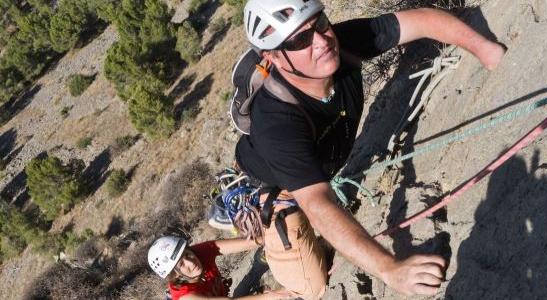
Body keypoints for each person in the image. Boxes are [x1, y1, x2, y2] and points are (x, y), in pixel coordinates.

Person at [234, 0, 505, 297]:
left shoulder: (341, 42)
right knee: (311, 288)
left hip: (320, 157)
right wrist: (389, 268)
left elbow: (423, 20)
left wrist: (486, 50)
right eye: (300, 39)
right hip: (276, 187)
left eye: (320, 23)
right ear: (273, 57)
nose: (322, 41)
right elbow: (317, 204)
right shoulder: (276, 124)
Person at [147, 236, 290, 300]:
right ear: (175, 275)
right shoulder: (186, 296)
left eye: (187, 254)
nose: (191, 262)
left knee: (256, 270)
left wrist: (272, 238)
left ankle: (261, 262)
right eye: (181, 265)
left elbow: (249, 242)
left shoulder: (197, 253)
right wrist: (275, 296)